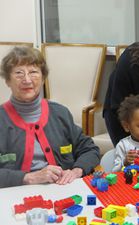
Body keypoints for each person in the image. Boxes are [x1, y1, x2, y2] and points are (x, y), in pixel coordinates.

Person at [0, 46, 100, 188]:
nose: (27, 80)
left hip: (63, 190)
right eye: (19, 73)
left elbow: (90, 149)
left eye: (33, 72)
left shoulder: (60, 113)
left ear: (43, 79)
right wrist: (28, 178)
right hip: (14, 196)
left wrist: (77, 170)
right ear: (8, 81)